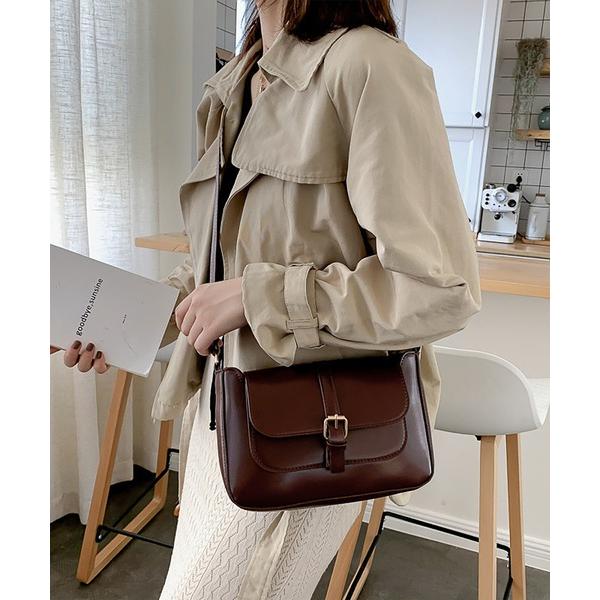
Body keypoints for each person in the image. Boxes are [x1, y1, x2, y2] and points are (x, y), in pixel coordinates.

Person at [53, 1, 481, 597]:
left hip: (318, 419)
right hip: (225, 406)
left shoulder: (370, 66)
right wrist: (114, 320)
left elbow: (439, 288)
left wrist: (261, 299)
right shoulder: (239, 78)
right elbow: (220, 264)